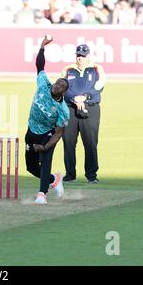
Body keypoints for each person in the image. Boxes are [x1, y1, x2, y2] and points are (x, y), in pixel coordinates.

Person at [25, 35, 70, 205]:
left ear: (63, 92)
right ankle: (54, 179)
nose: (57, 86)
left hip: (47, 134)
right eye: (57, 83)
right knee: (31, 168)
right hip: (31, 130)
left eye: (61, 87)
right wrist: (42, 46)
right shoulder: (44, 83)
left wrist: (45, 146)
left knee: (45, 161)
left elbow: (59, 133)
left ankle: (42, 195)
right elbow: (39, 65)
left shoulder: (63, 110)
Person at [61, 44, 106, 184]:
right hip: (70, 108)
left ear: (88, 56)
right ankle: (70, 174)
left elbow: (99, 86)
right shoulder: (68, 69)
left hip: (90, 108)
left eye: (83, 55)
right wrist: (74, 98)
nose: (80, 58)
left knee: (90, 143)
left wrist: (84, 97)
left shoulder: (97, 68)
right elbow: (62, 87)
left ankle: (91, 175)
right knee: (68, 142)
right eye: (78, 55)